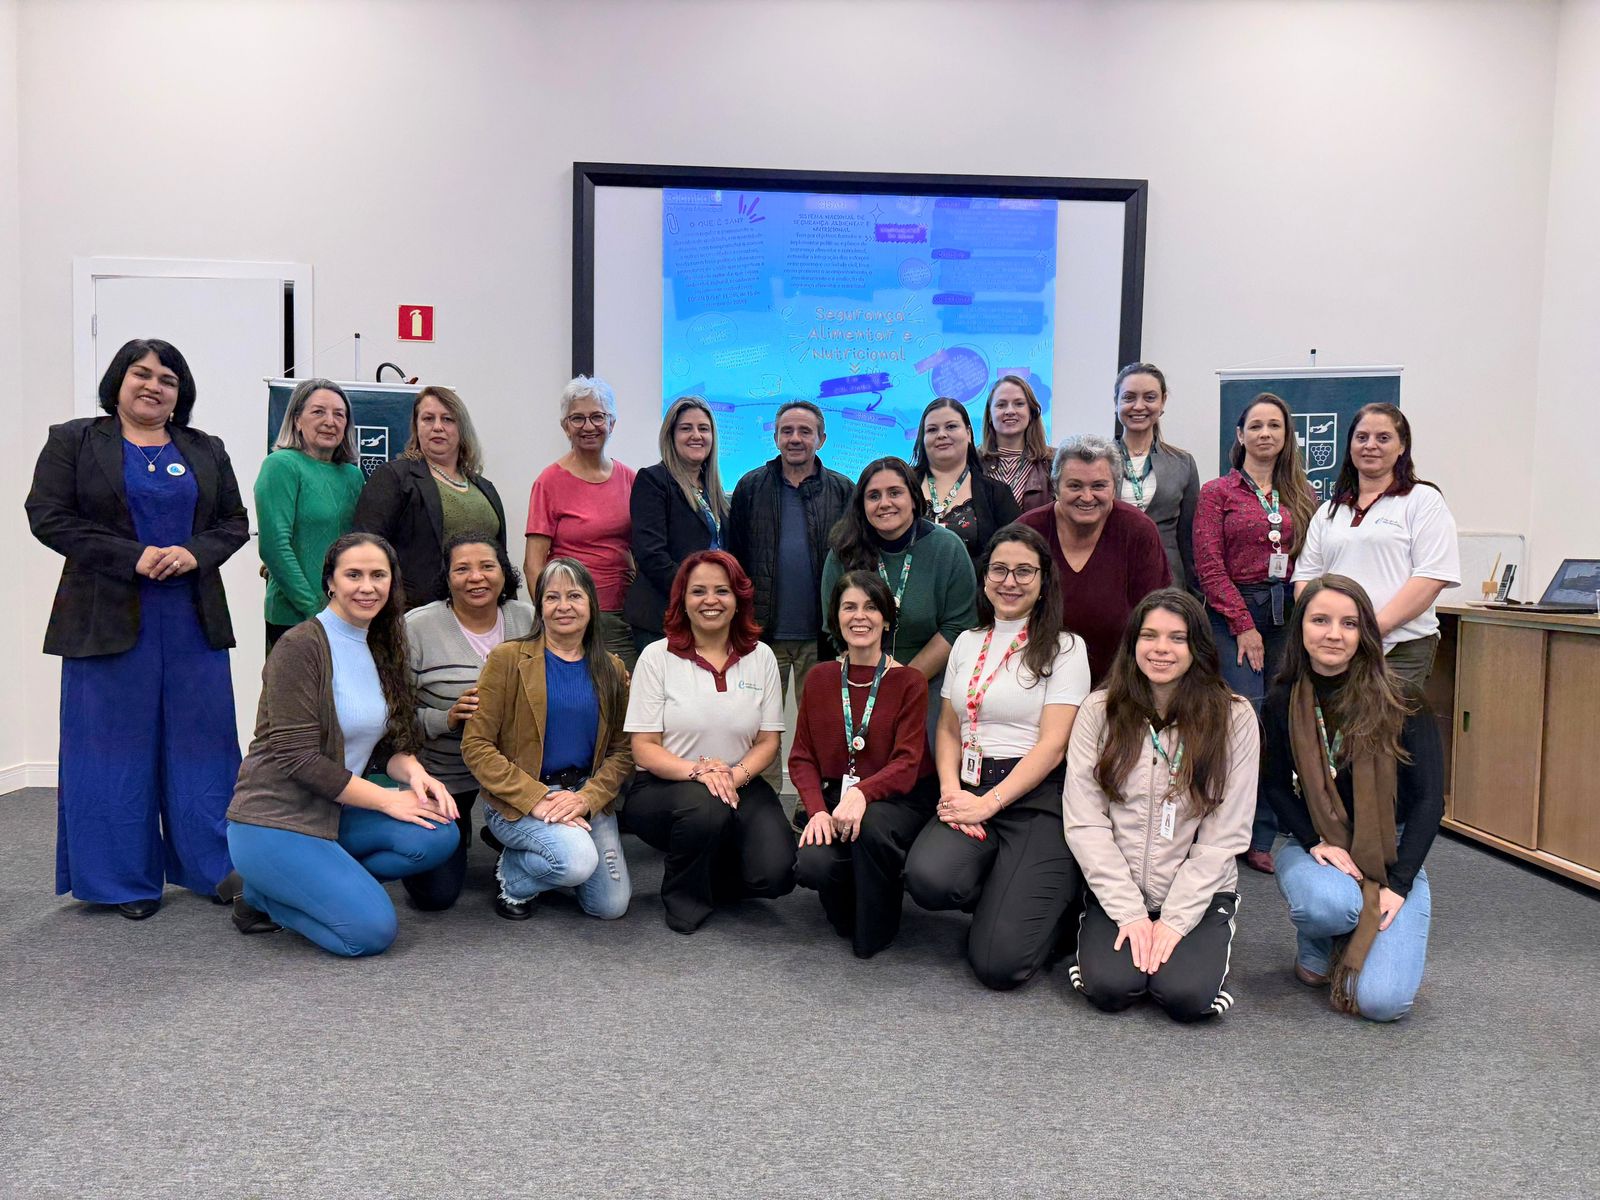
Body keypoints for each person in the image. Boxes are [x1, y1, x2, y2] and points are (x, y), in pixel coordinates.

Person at [25, 338, 248, 920]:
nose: (154, 386)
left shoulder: (206, 448)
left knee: (204, 746)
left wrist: (194, 552)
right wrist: (133, 556)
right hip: (104, 618)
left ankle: (216, 868)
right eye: (141, 374)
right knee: (110, 749)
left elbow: (234, 522)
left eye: (168, 379)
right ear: (118, 382)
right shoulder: (74, 440)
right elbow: (48, 516)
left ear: (181, 393)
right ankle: (123, 880)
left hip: (192, 619)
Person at [224, 534, 461, 957]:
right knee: (370, 933)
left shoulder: (380, 644)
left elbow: (384, 744)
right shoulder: (300, 646)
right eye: (353, 575)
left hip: (335, 810)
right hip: (276, 817)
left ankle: (301, 883)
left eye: (378, 575)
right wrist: (388, 800)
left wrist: (415, 773)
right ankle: (261, 894)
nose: (367, 587)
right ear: (330, 582)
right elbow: (298, 758)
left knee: (438, 833)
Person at [904, 525, 1091, 989]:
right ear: (984, 577)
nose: (1010, 582)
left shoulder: (1067, 648)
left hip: (1034, 798)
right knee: (928, 878)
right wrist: (952, 793)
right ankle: (1008, 894)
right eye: (999, 570)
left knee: (998, 967)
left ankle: (1054, 903)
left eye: (1024, 571)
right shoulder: (967, 642)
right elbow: (948, 727)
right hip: (970, 786)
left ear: (1044, 581)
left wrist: (989, 804)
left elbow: (1053, 745)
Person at [1064, 589, 1260, 1022]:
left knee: (1186, 997)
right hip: (1122, 886)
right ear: (1133, 643)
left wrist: (1174, 921)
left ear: (1198, 647)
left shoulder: (1234, 717)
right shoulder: (1099, 710)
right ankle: (1100, 942)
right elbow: (1085, 823)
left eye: (1177, 638)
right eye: (1149, 635)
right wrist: (1129, 912)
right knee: (1110, 988)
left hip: (1199, 890)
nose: (1161, 649)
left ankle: (1202, 942)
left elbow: (1225, 835)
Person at [1261, 574, 1443, 1022]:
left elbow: (1429, 801)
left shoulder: (1403, 699)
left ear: (1365, 633)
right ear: (1301, 627)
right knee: (1328, 905)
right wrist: (1312, 841)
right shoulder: (1282, 699)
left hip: (1391, 852)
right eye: (1320, 620)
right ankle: (1321, 937)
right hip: (1320, 843)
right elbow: (1275, 786)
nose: (1333, 634)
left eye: (1349, 623)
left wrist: (1399, 884)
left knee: (1382, 1003)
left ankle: (1355, 927)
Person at [620, 551, 795, 932]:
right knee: (706, 810)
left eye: (722, 591)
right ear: (682, 599)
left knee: (777, 874)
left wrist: (732, 776)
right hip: (667, 785)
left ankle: (710, 869)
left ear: (738, 599)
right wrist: (699, 772)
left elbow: (768, 742)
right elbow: (644, 748)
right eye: (698, 591)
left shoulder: (761, 656)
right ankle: (684, 894)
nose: (710, 600)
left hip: (739, 781)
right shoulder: (656, 657)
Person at [461, 557, 634, 922]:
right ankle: (514, 879)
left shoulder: (612, 669)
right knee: (576, 862)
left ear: (591, 604)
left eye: (574, 596)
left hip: (582, 795)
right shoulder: (507, 659)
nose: (563, 606)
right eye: (552, 597)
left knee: (610, 906)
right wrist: (536, 799)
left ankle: (541, 855)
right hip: (518, 797)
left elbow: (622, 751)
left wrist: (588, 798)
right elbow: (476, 746)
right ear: (539, 607)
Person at [1193, 392, 1317, 873]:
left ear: (1287, 437)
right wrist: (1244, 625)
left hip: (1288, 613)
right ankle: (1227, 828)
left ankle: (1262, 833)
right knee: (1242, 721)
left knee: (1279, 720)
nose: (1266, 434)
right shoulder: (1217, 493)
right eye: (1257, 426)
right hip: (1232, 612)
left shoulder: (1301, 494)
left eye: (1275, 426)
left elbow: (1311, 559)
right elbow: (1208, 566)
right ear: (1240, 435)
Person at [789, 570, 936, 958]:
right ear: (836, 617)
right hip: (837, 798)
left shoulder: (910, 682)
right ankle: (853, 891)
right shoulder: (820, 679)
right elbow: (802, 756)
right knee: (812, 863)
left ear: (886, 619)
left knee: (868, 826)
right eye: (849, 607)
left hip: (899, 801)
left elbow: (908, 762)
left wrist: (862, 795)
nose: (860, 616)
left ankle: (877, 926)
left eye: (871, 607)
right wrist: (817, 811)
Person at [400, 535, 535, 911]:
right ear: (446, 577)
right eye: (462, 569)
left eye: (487, 566)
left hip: (514, 775)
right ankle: (464, 833)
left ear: (504, 573)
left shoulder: (528, 619)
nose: (476, 577)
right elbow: (392, 714)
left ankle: (505, 836)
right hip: (444, 773)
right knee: (435, 895)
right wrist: (445, 718)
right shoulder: (417, 627)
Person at [725, 399, 853, 793]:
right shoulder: (750, 487)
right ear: (776, 437)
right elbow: (734, 560)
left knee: (821, 727)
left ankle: (811, 803)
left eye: (805, 431)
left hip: (822, 636)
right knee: (757, 726)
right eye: (787, 431)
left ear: (821, 438)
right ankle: (761, 801)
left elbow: (853, 563)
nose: (795, 438)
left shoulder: (843, 490)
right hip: (762, 636)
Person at [1292, 403, 1459, 694]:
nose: (1371, 445)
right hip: (1336, 650)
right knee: (1333, 724)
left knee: (1386, 724)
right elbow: (1306, 579)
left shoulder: (1423, 500)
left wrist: (1369, 632)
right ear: (1350, 445)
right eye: (1362, 437)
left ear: (1402, 446)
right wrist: (1327, 631)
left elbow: (1432, 576)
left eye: (1383, 438)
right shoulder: (1329, 511)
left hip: (1401, 649)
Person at [819, 457, 978, 707]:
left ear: (914, 498)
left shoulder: (947, 548)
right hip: (860, 678)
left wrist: (902, 683)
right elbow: (834, 628)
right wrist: (872, 684)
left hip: (931, 679)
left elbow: (957, 625)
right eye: (873, 496)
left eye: (895, 493)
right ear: (861, 505)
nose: (885, 503)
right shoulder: (844, 550)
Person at [1018, 435, 1171, 684]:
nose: (1087, 497)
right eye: (1075, 486)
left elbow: (1153, 616)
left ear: (1115, 486)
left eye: (1099, 486)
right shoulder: (1027, 531)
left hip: (1120, 679)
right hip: (1035, 675)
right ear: (1055, 486)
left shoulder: (1139, 531)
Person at [353, 386, 507, 610]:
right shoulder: (394, 477)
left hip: (483, 613)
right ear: (416, 427)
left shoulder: (485, 487)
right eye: (428, 419)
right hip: (415, 613)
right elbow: (365, 548)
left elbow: (501, 558)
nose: (437, 427)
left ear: (462, 428)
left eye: (447, 419)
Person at [522, 375, 637, 669]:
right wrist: (549, 616)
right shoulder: (549, 482)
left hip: (621, 617)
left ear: (612, 423)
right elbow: (533, 564)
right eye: (577, 418)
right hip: (569, 617)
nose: (588, 426)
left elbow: (639, 551)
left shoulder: (631, 479)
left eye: (597, 417)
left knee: (621, 691)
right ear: (565, 426)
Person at [255, 378, 365, 649]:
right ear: (297, 420)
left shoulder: (353, 476)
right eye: (318, 412)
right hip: (296, 618)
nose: (330, 421)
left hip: (348, 615)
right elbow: (274, 547)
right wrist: (316, 609)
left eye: (339, 414)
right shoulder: (281, 465)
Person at [625, 396, 728, 656]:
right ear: (670, 436)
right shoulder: (653, 481)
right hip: (663, 617)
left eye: (703, 428)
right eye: (686, 428)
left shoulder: (714, 491)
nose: (696, 435)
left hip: (707, 616)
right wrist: (694, 593)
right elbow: (651, 554)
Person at [1112, 362, 1200, 590]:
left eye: (1149, 398)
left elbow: (1188, 539)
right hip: (1110, 576)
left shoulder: (1183, 463)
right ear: (1116, 402)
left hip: (1167, 581)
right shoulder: (1097, 460)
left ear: (1163, 402)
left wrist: (1195, 595)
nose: (1138, 406)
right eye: (1129, 397)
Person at [910, 396, 1021, 564]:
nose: (941, 434)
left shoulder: (997, 494)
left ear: (968, 433)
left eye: (951, 426)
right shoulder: (903, 486)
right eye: (932, 429)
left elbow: (1018, 552)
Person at [978, 374, 1054, 514]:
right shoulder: (972, 463)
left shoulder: (1053, 463)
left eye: (1019, 404)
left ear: (1031, 412)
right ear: (990, 415)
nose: (1010, 411)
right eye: (1001, 405)